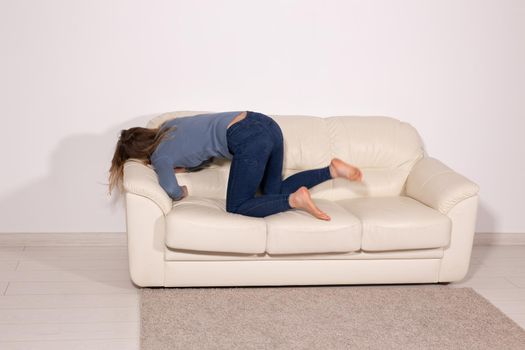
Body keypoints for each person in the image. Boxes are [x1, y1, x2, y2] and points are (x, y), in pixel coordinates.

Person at [108, 110, 363, 220]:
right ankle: (331, 170)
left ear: (141, 156)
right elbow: (201, 148)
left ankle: (294, 201)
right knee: (271, 192)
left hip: (247, 138)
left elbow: (171, 190)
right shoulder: (169, 126)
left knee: (238, 206)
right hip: (265, 124)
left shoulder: (159, 157)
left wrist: (181, 190)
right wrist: (188, 168)